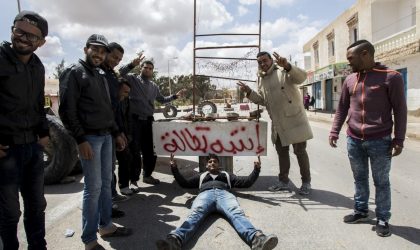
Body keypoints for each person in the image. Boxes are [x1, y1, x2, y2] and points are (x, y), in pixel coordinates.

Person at [59, 34, 131, 250]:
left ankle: (106, 225)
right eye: (95, 50)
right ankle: (89, 239)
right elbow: (67, 110)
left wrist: (116, 132)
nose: (99, 55)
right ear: (85, 49)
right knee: (94, 187)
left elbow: (107, 108)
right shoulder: (74, 72)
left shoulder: (100, 74)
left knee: (107, 182)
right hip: (89, 138)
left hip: (106, 136)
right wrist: (80, 139)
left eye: (102, 51)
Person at [329, 40, 407, 237]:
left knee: (381, 182)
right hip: (354, 139)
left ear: (365, 54)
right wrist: (334, 131)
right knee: (359, 178)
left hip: (380, 141)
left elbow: (400, 110)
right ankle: (361, 211)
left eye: (351, 59)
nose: (349, 63)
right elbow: (342, 109)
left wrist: (398, 139)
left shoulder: (391, 77)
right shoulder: (349, 80)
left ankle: (382, 218)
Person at [0, 10, 49, 250]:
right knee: (9, 213)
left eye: (31, 35)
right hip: (6, 151)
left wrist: (44, 134)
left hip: (32, 148)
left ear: (41, 43)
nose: (23, 38)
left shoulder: (38, 66)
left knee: (37, 207)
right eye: (19, 30)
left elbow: (39, 104)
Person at [156, 154, 278, 250]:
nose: (212, 163)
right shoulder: (202, 176)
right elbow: (184, 183)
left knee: (236, 214)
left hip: (224, 194)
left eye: (215, 161)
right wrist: (174, 168)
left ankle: (257, 240)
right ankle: (174, 241)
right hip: (205, 195)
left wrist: (256, 169)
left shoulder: (227, 175)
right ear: (206, 165)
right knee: (195, 215)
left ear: (219, 164)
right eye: (210, 162)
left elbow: (246, 182)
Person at [237, 51, 313, 195]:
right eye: (259, 62)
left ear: (271, 60)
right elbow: (262, 100)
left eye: (265, 60)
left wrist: (289, 66)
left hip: (294, 119)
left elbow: (301, 78)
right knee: (282, 153)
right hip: (277, 122)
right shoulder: (260, 78)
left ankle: (306, 182)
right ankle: (283, 182)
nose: (262, 64)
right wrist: (249, 92)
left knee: (300, 152)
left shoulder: (283, 70)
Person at [119, 56, 185, 185]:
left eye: (150, 68)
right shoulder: (132, 78)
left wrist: (175, 96)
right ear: (141, 68)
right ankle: (133, 180)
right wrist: (131, 64)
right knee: (134, 152)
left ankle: (147, 175)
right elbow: (120, 73)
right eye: (145, 67)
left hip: (149, 121)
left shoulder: (154, 86)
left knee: (151, 150)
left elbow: (161, 99)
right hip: (134, 121)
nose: (148, 70)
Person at [100, 42, 129, 217]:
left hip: (109, 130)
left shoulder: (110, 74)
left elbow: (113, 108)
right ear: (105, 53)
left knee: (108, 169)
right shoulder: (98, 73)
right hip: (97, 131)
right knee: (100, 175)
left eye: (119, 59)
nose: (116, 61)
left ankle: (109, 200)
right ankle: (104, 208)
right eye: (114, 57)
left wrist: (118, 132)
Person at [115, 78, 140, 195]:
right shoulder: (112, 101)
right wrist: (119, 133)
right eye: (125, 91)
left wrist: (129, 134)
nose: (127, 94)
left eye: (128, 92)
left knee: (130, 158)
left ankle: (130, 182)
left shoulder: (126, 100)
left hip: (126, 134)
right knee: (123, 160)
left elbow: (128, 118)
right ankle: (123, 186)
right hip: (115, 134)